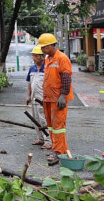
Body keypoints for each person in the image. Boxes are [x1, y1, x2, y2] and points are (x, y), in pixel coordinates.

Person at [37, 33, 73, 166]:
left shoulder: (62, 58)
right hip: (48, 98)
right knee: (52, 126)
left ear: (51, 45)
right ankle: (56, 148)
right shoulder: (48, 59)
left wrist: (63, 95)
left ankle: (58, 152)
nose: (41, 50)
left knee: (58, 126)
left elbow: (66, 77)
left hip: (58, 99)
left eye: (43, 47)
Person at [25, 46, 50, 149]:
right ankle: (40, 139)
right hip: (34, 99)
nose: (34, 58)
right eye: (33, 56)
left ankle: (48, 141)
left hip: (43, 99)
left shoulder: (47, 68)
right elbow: (30, 83)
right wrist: (28, 96)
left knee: (44, 120)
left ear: (42, 57)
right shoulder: (32, 68)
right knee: (35, 120)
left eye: (36, 56)